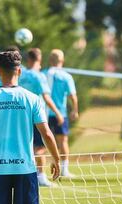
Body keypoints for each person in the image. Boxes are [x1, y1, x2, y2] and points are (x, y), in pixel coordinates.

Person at [0, 50, 60, 204]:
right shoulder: (32, 98)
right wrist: (56, 160)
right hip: (25, 168)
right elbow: (46, 134)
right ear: (19, 71)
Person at [18, 48, 64, 187]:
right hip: (36, 115)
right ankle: (41, 176)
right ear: (39, 60)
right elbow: (46, 97)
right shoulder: (38, 76)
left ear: (28, 60)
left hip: (22, 115)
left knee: (27, 146)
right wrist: (57, 112)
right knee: (40, 146)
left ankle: (29, 173)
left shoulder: (22, 74)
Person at [42, 49, 79, 177]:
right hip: (60, 115)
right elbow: (73, 96)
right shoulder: (66, 76)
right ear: (62, 61)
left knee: (41, 143)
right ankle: (64, 170)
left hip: (43, 114)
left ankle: (39, 172)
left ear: (50, 60)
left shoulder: (42, 74)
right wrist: (75, 110)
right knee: (62, 142)